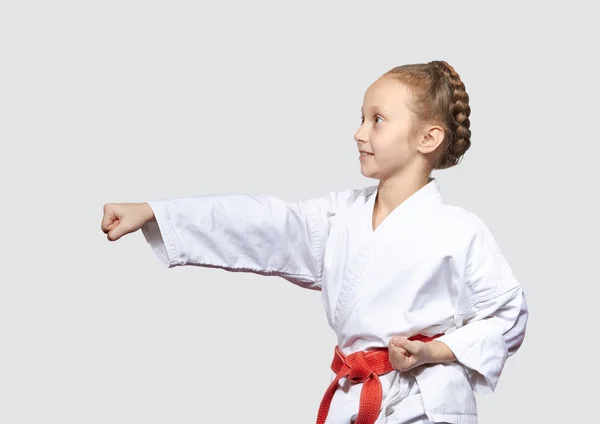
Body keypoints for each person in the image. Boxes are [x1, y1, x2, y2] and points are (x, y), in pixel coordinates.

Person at [101, 60, 528, 424]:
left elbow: (507, 315)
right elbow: (262, 221)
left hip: (427, 405)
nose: (359, 133)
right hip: (354, 395)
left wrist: (433, 352)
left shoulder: (458, 230)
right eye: (361, 118)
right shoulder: (339, 217)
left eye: (377, 120)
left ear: (428, 138)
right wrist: (157, 212)